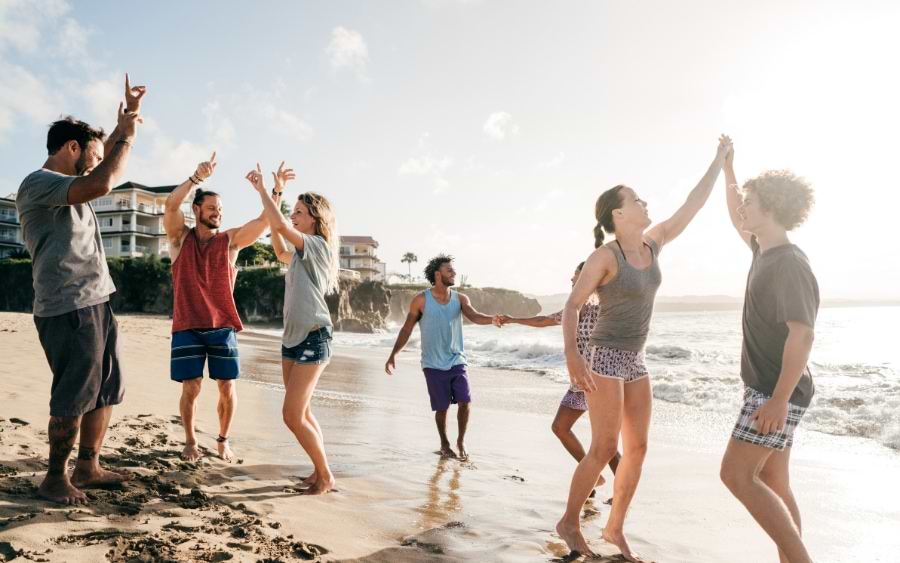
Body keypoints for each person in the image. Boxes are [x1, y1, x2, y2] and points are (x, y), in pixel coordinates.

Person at [555, 136, 732, 561]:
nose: (644, 202)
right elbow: (572, 305)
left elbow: (692, 204)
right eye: (636, 199)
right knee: (602, 447)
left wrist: (720, 162)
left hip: (635, 359)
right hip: (604, 358)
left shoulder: (653, 244)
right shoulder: (605, 256)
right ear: (618, 213)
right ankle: (569, 522)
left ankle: (614, 529)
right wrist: (572, 355)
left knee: (638, 448)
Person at [15, 74, 146, 505]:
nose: (94, 161)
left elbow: (102, 163)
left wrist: (125, 122)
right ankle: (55, 477)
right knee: (74, 391)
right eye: (88, 153)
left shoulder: (70, 184)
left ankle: (87, 467)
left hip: (95, 300)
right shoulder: (39, 182)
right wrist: (123, 139)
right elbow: (103, 180)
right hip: (67, 305)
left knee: (105, 387)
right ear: (70, 147)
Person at [719, 144, 818, 563]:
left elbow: (803, 335)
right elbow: (732, 209)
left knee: (736, 474)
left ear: (772, 208)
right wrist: (729, 171)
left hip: (776, 391)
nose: (742, 208)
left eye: (749, 203)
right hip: (771, 389)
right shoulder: (763, 250)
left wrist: (778, 399)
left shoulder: (789, 264)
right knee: (775, 482)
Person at [163, 153, 275, 462]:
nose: (217, 214)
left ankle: (223, 440)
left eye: (220, 210)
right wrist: (197, 177)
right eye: (211, 208)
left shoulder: (230, 241)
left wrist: (272, 191)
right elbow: (171, 206)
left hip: (223, 327)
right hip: (187, 325)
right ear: (197, 209)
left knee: (226, 386)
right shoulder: (178, 239)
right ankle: (190, 441)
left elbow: (265, 221)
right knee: (191, 386)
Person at [246, 163, 341, 495]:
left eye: (300, 212)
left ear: (314, 218)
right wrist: (276, 194)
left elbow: (282, 227)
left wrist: (265, 191)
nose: (295, 215)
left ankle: (326, 476)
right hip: (293, 338)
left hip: (314, 335)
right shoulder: (299, 254)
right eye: (294, 211)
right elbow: (277, 245)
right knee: (302, 412)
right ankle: (319, 472)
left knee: (291, 415)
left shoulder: (317, 246)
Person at [496, 262, 621, 496]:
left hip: (601, 380)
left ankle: (623, 494)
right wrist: (513, 319)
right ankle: (593, 476)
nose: (572, 281)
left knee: (606, 442)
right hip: (580, 381)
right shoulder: (573, 309)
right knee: (561, 427)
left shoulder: (605, 309)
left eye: (576, 277)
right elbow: (543, 320)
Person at [385, 254, 499, 461]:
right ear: (438, 274)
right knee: (442, 408)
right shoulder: (421, 300)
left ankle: (461, 441)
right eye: (449, 270)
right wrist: (394, 354)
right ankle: (445, 443)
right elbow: (407, 328)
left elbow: (474, 315)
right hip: (432, 363)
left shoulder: (460, 299)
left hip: (457, 359)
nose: (454, 273)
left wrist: (492, 319)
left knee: (465, 400)